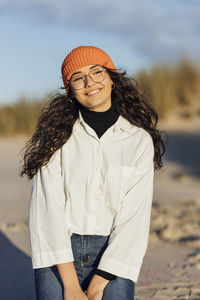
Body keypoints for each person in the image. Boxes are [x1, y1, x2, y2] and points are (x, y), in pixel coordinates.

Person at [21, 45, 165, 300]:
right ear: (70, 90)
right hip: (58, 252)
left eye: (97, 72)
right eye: (78, 77)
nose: (89, 82)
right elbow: (47, 211)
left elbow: (134, 219)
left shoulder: (138, 141)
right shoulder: (56, 135)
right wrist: (70, 285)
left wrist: (100, 281)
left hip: (114, 254)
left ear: (111, 78)